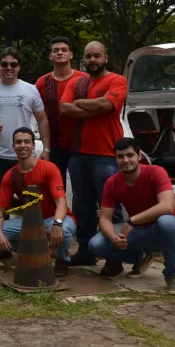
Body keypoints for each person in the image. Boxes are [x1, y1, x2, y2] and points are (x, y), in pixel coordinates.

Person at [60, 41, 128, 266]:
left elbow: (105, 105)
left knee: (110, 207)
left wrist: (80, 103)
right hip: (78, 154)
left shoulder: (117, 80)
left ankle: (114, 258)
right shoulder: (76, 82)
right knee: (82, 207)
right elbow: (64, 108)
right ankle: (85, 252)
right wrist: (94, 107)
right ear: (83, 58)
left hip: (107, 155)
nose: (92, 60)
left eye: (97, 55)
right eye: (88, 56)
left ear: (106, 58)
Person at [89, 138, 175, 293]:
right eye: (120, 156)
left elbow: (167, 206)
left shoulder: (156, 172)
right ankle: (140, 258)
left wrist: (132, 221)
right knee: (96, 244)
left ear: (139, 156)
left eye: (130, 155)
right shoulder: (112, 182)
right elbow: (105, 218)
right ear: (115, 159)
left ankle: (172, 275)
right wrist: (114, 238)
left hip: (163, 230)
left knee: (166, 222)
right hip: (138, 231)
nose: (125, 160)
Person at [0, 48, 52, 221]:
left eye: (13, 64)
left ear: (19, 67)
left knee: (31, 199)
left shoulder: (30, 89)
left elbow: (42, 119)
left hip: (24, 154)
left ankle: (30, 234)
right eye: (4, 64)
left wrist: (46, 149)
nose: (9, 68)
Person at [0, 128, 76, 276]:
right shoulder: (10, 175)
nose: (22, 145)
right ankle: (25, 252)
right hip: (30, 221)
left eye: (27, 142)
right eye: (18, 142)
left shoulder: (49, 168)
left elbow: (61, 202)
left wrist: (57, 223)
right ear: (13, 146)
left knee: (64, 230)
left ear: (33, 145)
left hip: (53, 218)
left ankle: (62, 260)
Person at [34, 37, 88, 181]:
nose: (60, 53)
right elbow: (41, 118)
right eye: (56, 50)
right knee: (56, 186)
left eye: (64, 50)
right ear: (50, 56)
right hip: (55, 145)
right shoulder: (42, 83)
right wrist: (46, 148)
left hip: (81, 145)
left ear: (71, 54)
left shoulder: (85, 79)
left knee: (81, 186)